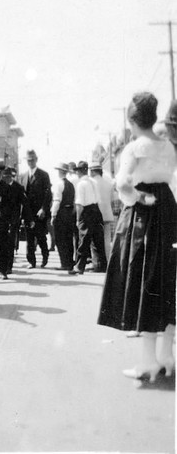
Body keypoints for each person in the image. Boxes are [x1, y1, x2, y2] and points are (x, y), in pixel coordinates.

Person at [98, 92, 177, 382]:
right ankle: (168, 356)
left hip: (145, 215)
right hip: (169, 211)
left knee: (143, 279)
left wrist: (139, 198)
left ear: (133, 120)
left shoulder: (133, 148)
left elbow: (123, 184)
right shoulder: (169, 146)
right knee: (167, 281)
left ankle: (147, 362)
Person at [71, 161, 107, 274]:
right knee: (98, 240)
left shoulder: (81, 184)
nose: (77, 173)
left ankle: (79, 266)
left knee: (84, 239)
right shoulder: (93, 182)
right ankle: (101, 265)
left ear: (80, 171)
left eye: (78, 171)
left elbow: (79, 204)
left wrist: (78, 219)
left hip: (86, 212)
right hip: (96, 210)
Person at [20, 150, 52, 268]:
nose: (30, 162)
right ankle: (31, 261)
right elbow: (21, 196)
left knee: (41, 237)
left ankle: (45, 257)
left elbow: (48, 194)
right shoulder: (23, 176)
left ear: (36, 159)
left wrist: (43, 208)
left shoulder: (43, 175)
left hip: (40, 213)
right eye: (28, 160)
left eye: (32, 160)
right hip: (28, 213)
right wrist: (22, 214)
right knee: (29, 238)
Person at [2, 166, 34, 274]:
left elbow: (25, 204)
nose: (7, 178)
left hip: (13, 219)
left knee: (10, 243)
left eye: (9, 176)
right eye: (5, 176)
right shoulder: (0, 186)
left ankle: (8, 267)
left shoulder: (18, 188)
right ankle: (2, 262)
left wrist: (29, 219)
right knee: (1, 243)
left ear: (12, 177)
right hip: (1, 218)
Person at [50, 162, 75, 273]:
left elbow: (57, 201)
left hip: (61, 212)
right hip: (70, 212)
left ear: (60, 172)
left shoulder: (58, 184)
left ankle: (64, 263)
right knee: (69, 238)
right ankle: (70, 262)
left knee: (60, 239)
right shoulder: (71, 185)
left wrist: (53, 215)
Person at [89, 162, 115, 262]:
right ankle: (108, 261)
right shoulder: (109, 183)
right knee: (107, 239)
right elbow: (112, 200)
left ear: (92, 171)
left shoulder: (91, 182)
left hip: (95, 214)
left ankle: (97, 262)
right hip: (108, 213)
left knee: (95, 241)